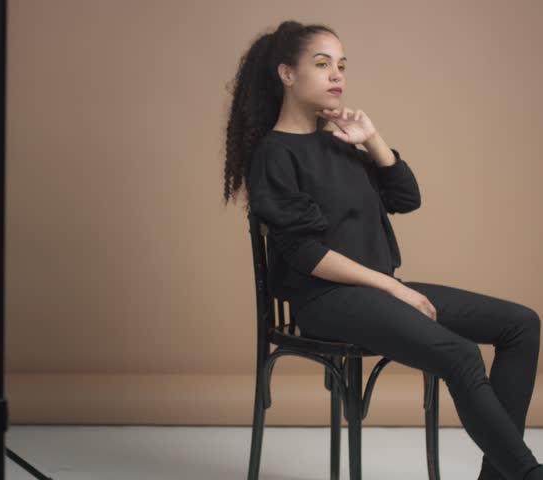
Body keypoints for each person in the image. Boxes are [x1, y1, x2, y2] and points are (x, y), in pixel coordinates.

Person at [222, 20, 543, 480]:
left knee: (521, 325)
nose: (337, 75)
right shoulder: (275, 154)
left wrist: (372, 140)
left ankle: (502, 475)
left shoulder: (341, 142)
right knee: (461, 354)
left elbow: (406, 199)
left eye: (341, 65)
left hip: (377, 293)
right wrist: (393, 288)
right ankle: (528, 473)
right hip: (325, 300)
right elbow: (306, 254)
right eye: (321, 63)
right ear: (287, 75)